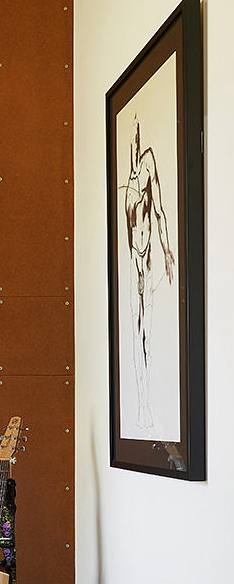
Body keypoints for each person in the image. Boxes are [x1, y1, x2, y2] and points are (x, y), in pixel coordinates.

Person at [124, 114, 175, 431]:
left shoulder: (148, 166)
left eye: (136, 136)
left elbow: (160, 212)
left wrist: (168, 248)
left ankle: (149, 404)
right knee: (135, 328)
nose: (134, 143)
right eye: (131, 137)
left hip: (151, 257)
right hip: (134, 261)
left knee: (148, 333)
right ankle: (141, 404)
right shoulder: (125, 186)